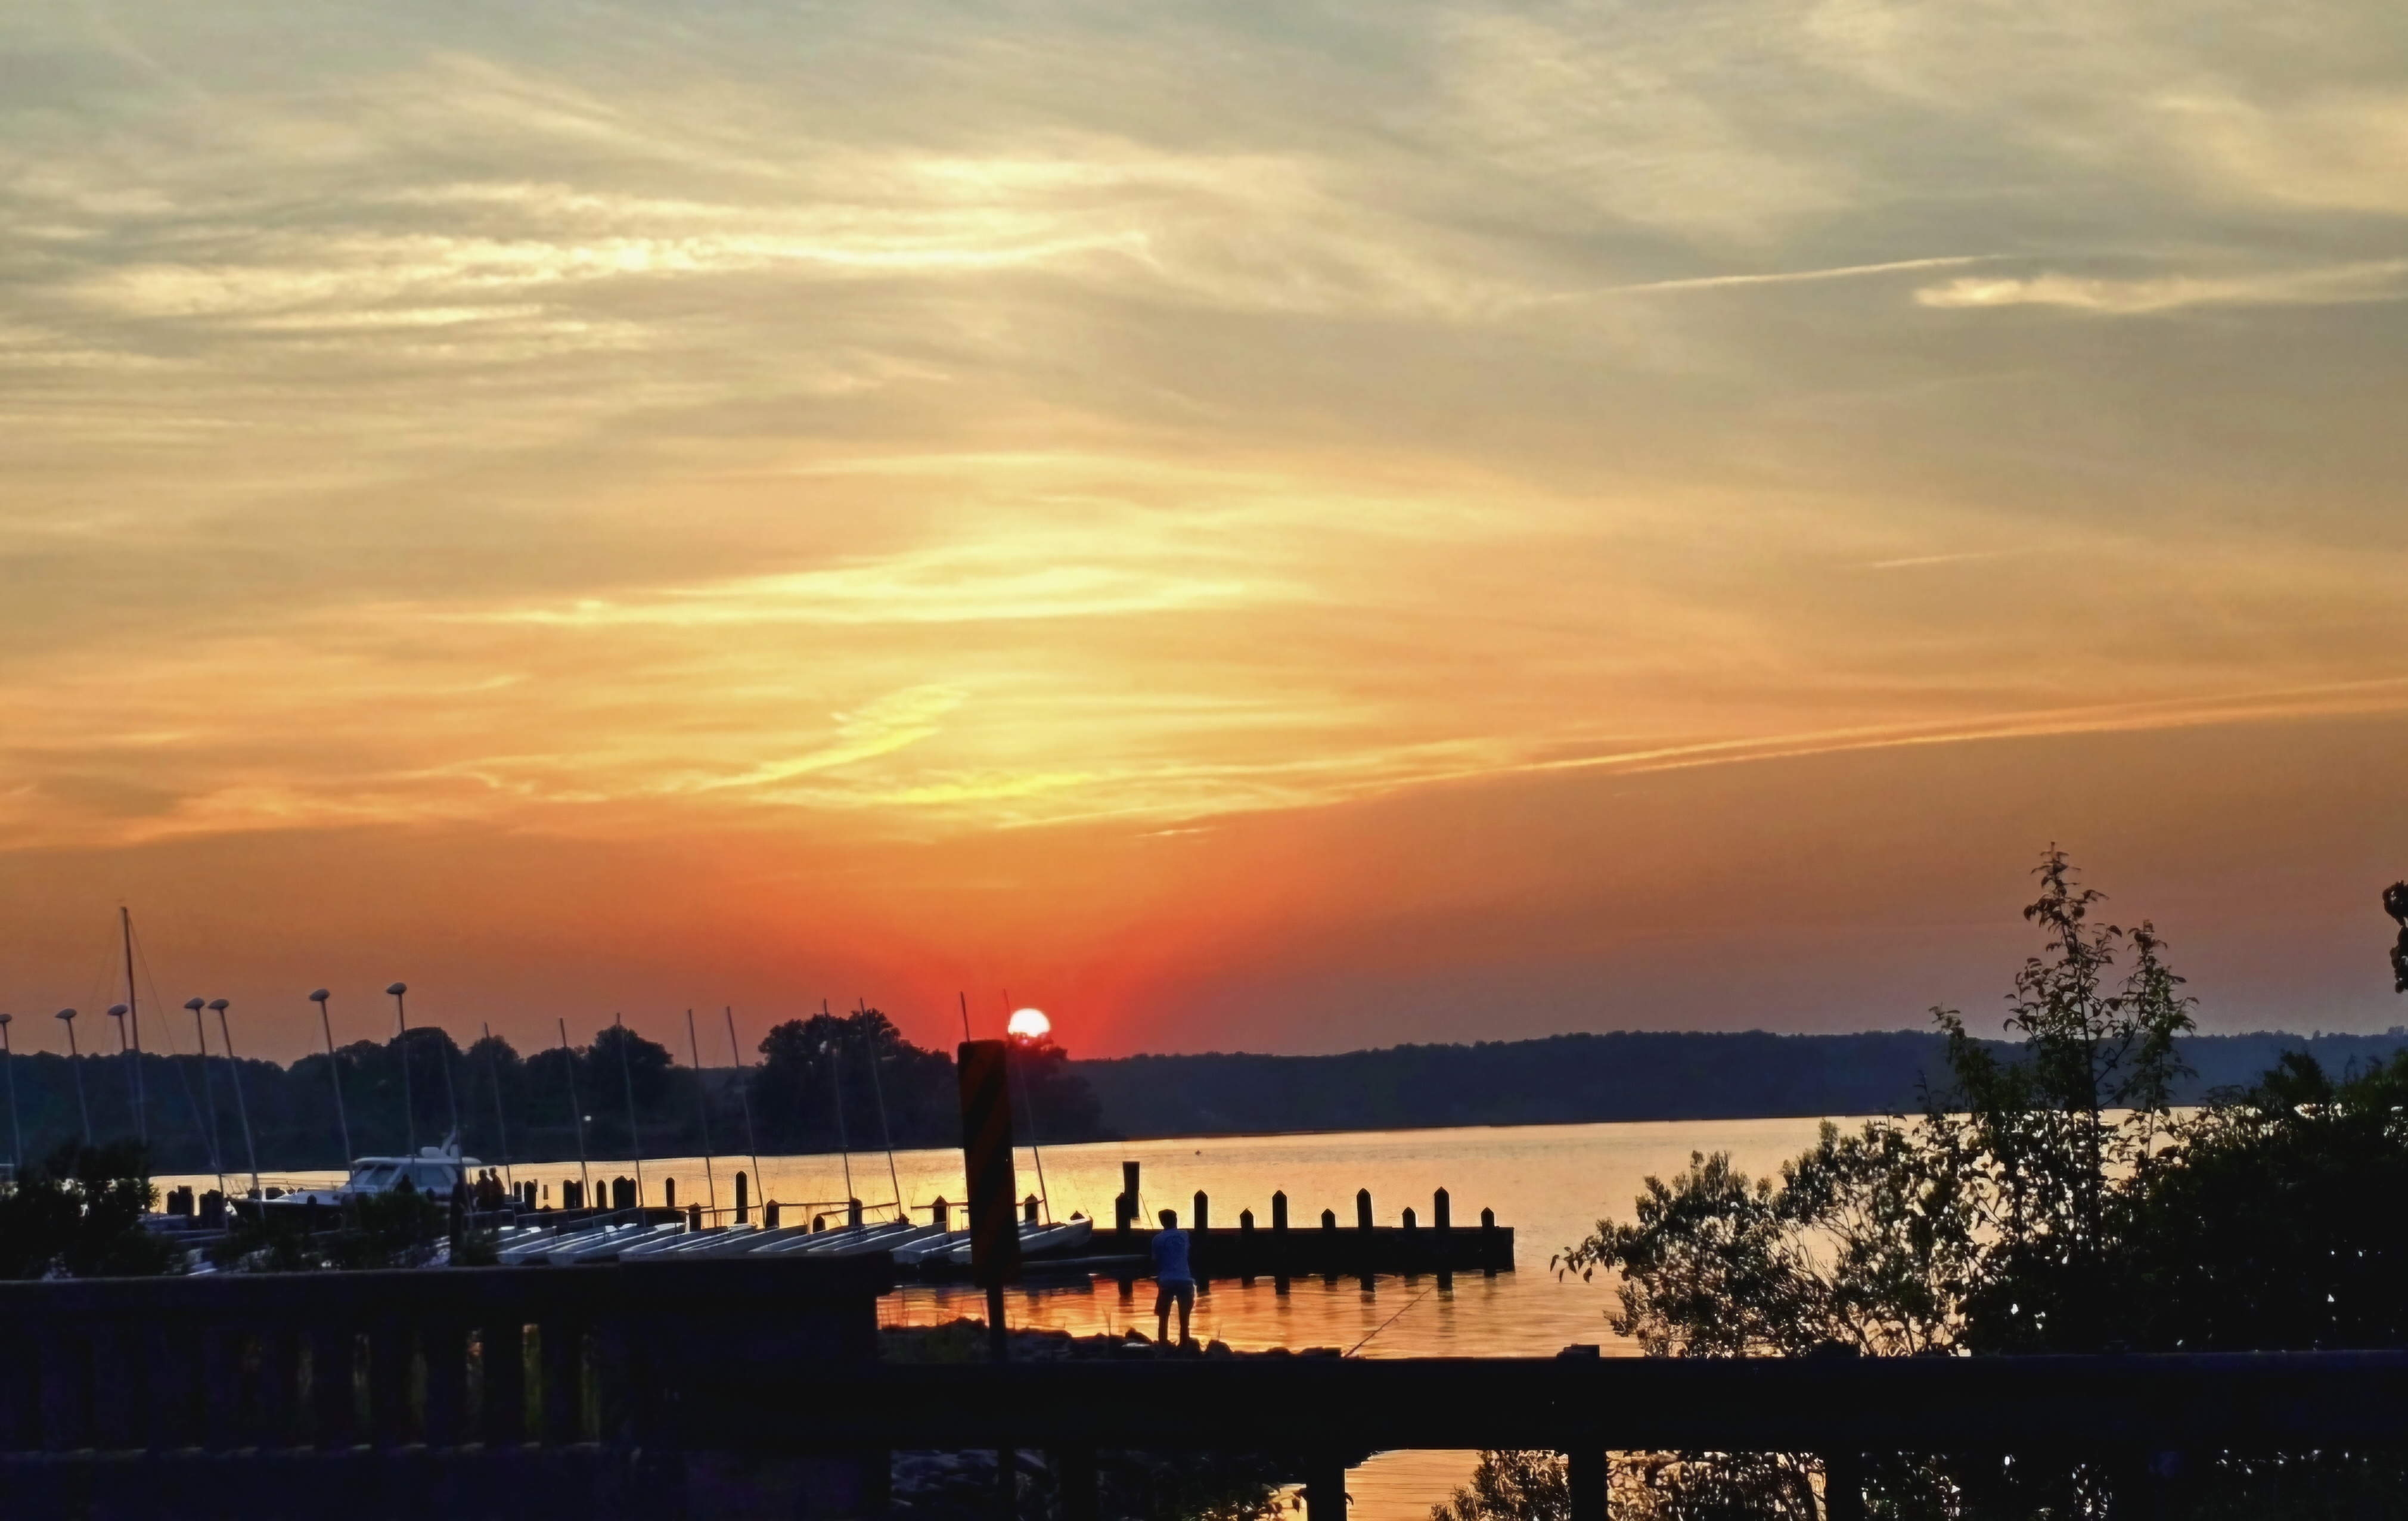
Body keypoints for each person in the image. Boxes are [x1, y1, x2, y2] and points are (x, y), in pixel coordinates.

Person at [1152, 1207, 1196, 1349]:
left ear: (1161, 1222)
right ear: (1175, 1220)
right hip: (1185, 1281)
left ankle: (1163, 1344)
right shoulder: (1185, 1235)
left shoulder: (1157, 1239)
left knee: (1163, 1317)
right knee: (1185, 1319)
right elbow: (1190, 1252)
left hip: (1167, 1281)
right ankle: (1184, 1345)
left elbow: (1155, 1261)